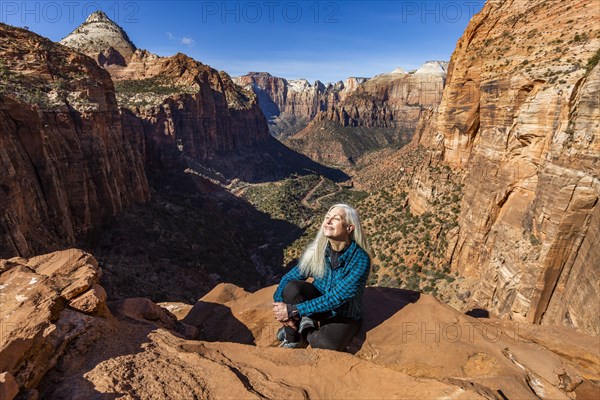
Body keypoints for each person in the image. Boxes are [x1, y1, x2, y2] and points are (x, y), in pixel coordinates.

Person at [272, 203, 372, 351]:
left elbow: (336, 297)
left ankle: (305, 326)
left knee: (326, 344)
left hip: (343, 313)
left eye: (336, 218)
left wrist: (294, 310)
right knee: (291, 288)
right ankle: (293, 338)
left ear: (349, 228)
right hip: (316, 303)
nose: (328, 221)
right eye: (327, 217)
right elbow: (289, 277)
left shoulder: (360, 259)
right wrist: (280, 307)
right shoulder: (318, 250)